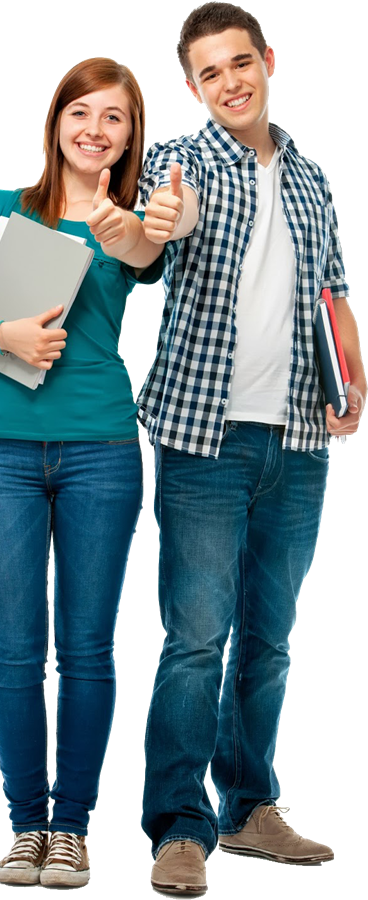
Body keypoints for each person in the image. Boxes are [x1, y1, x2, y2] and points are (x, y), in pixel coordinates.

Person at [0, 57, 164, 888]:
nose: (96, 129)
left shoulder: (130, 228)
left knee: (88, 647)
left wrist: (129, 217)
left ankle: (72, 828)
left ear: (130, 137)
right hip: (0, 451)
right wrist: (3, 337)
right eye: (82, 112)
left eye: (115, 119)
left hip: (100, 446)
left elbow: (152, 240)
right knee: (14, 649)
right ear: (56, 121)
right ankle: (26, 826)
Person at [137, 3, 365, 894]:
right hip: (203, 439)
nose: (229, 82)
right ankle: (177, 826)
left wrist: (353, 375)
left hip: (302, 437)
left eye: (241, 63)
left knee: (270, 640)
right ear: (191, 87)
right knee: (196, 639)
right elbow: (158, 234)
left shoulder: (311, 178)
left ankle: (250, 810)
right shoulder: (179, 163)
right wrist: (162, 221)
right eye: (209, 73)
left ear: (268, 61)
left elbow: (333, 290)